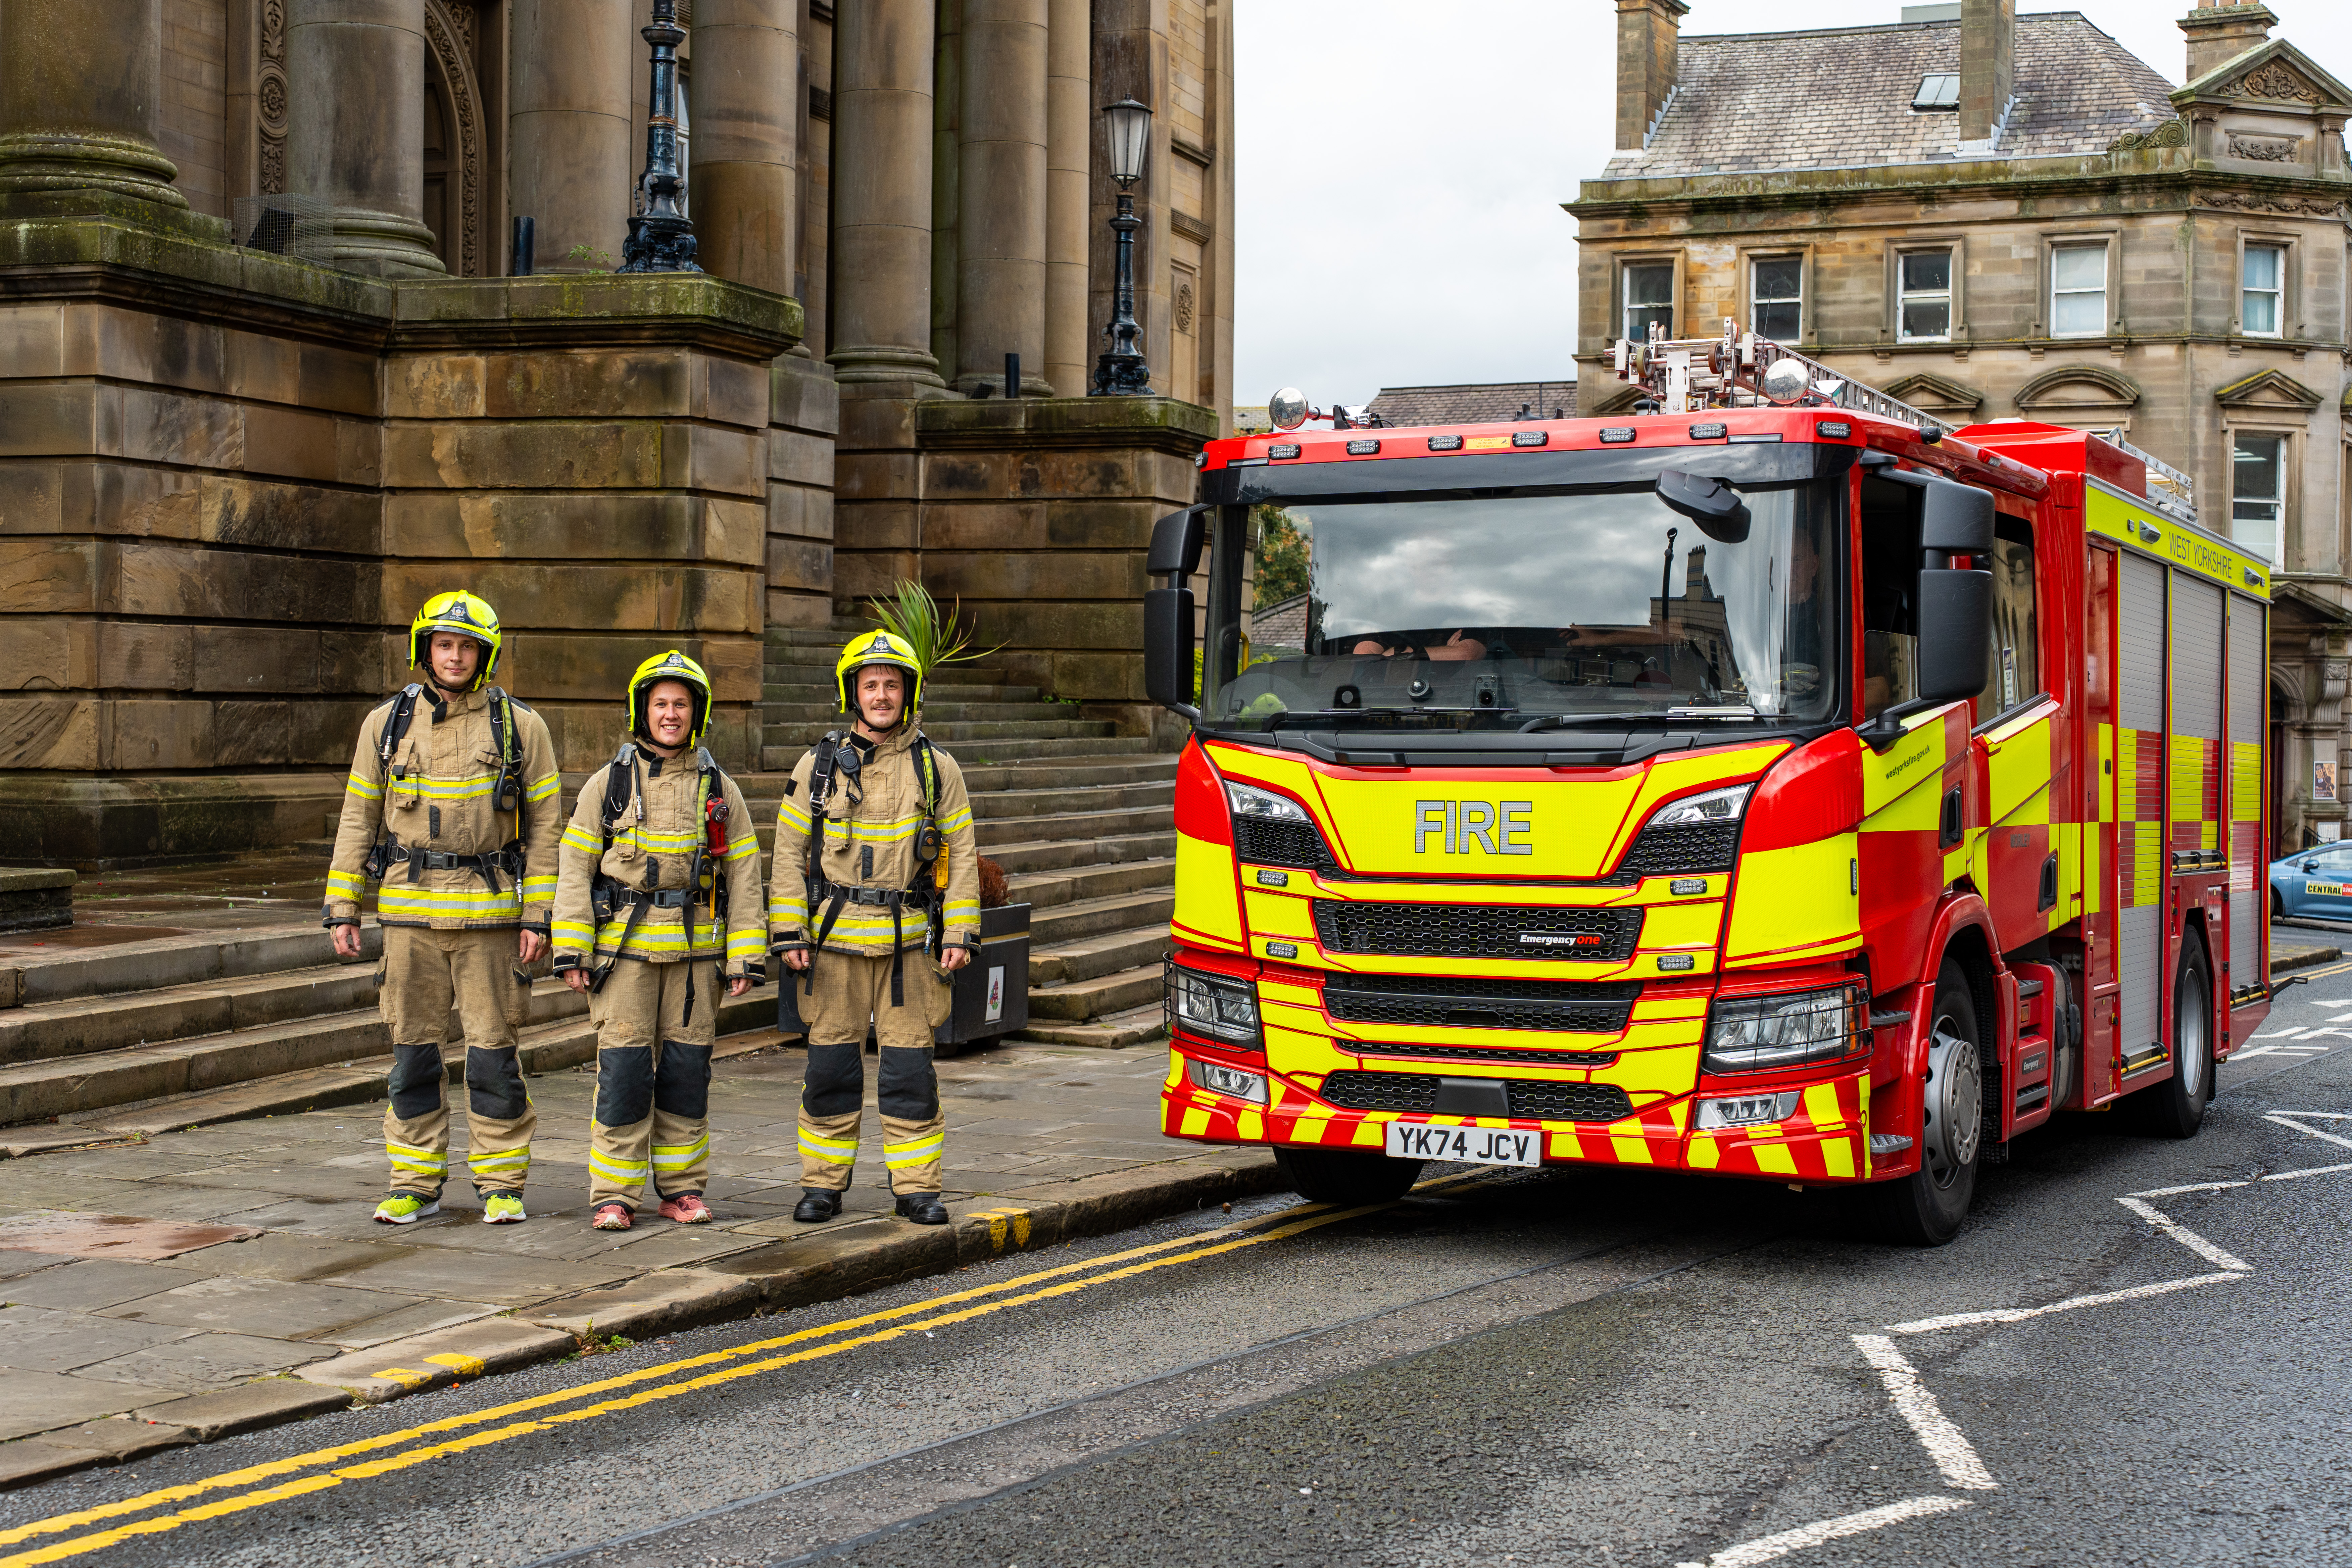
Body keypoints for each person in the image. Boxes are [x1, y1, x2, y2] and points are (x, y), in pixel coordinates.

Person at [325, 592, 562, 1226]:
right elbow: (358, 817)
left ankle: (502, 1183)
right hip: (409, 922)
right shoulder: (386, 724)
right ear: (425, 649)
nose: (454, 657)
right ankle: (414, 1181)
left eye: (466, 647)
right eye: (444, 645)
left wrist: (540, 916)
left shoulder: (521, 727)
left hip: (491, 921)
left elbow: (546, 828)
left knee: (493, 1056)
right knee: (413, 1056)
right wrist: (343, 905)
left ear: (484, 654)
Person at [769, 631, 980, 1227]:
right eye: (871, 685)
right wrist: (789, 932)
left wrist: (959, 933)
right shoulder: (817, 766)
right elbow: (787, 853)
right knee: (829, 1072)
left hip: (909, 947)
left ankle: (917, 1189)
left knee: (910, 1074)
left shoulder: (938, 770)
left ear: (907, 692)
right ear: (853, 693)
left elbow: (962, 854)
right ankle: (821, 1187)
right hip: (832, 946)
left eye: (892, 684)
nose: (882, 695)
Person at [551, 652, 766, 1231]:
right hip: (625, 955)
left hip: (697, 959)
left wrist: (745, 954)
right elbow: (573, 868)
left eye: (681, 704)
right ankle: (615, 1196)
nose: (671, 714)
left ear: (698, 712)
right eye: (661, 703)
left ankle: (682, 1191)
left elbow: (744, 875)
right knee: (623, 1075)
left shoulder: (719, 788)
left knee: (685, 1075)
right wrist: (573, 949)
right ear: (642, 710)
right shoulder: (609, 784)